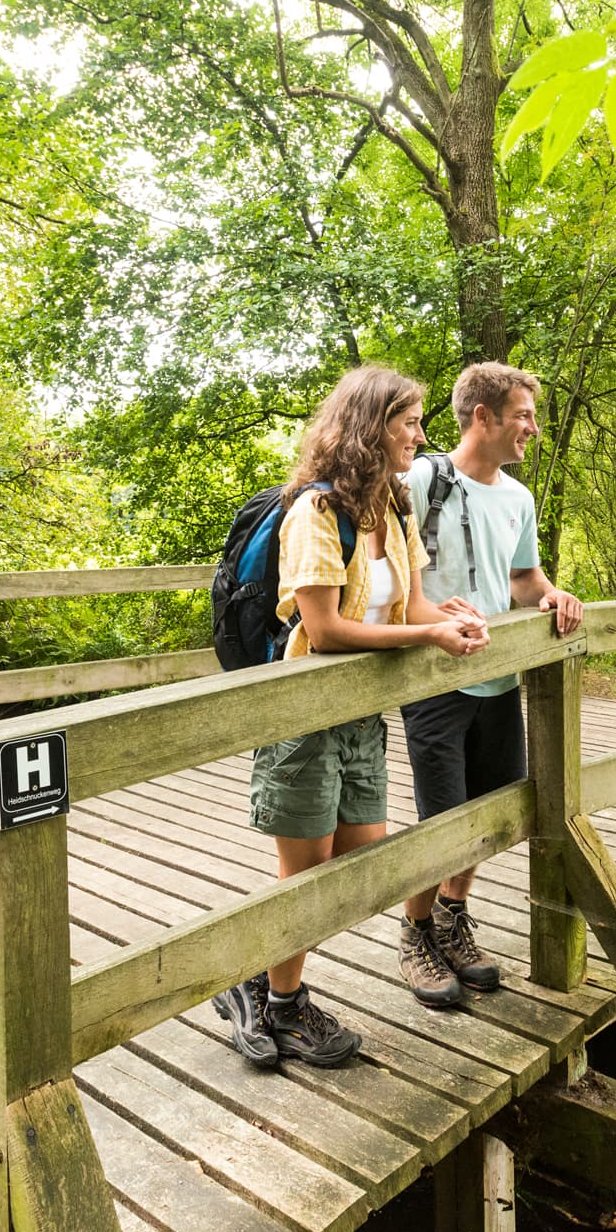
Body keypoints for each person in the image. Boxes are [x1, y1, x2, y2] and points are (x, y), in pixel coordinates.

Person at [213, 366, 490, 1068]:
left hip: (362, 717)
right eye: (409, 423)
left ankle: (253, 978)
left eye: (421, 422)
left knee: (364, 865)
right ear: (372, 426)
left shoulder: (393, 508)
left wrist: (450, 617)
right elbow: (327, 628)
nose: (421, 437)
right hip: (303, 719)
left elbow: (409, 605)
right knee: (305, 876)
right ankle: (283, 1005)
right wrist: (425, 637)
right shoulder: (314, 512)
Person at [396, 362, 584, 1005]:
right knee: (441, 818)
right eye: (524, 415)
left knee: (493, 812)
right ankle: (415, 931)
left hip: (499, 679)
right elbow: (387, 575)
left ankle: (451, 915)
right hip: (434, 679)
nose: (533, 427)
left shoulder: (519, 498)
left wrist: (554, 596)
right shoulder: (419, 480)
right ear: (485, 417)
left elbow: (524, 580)